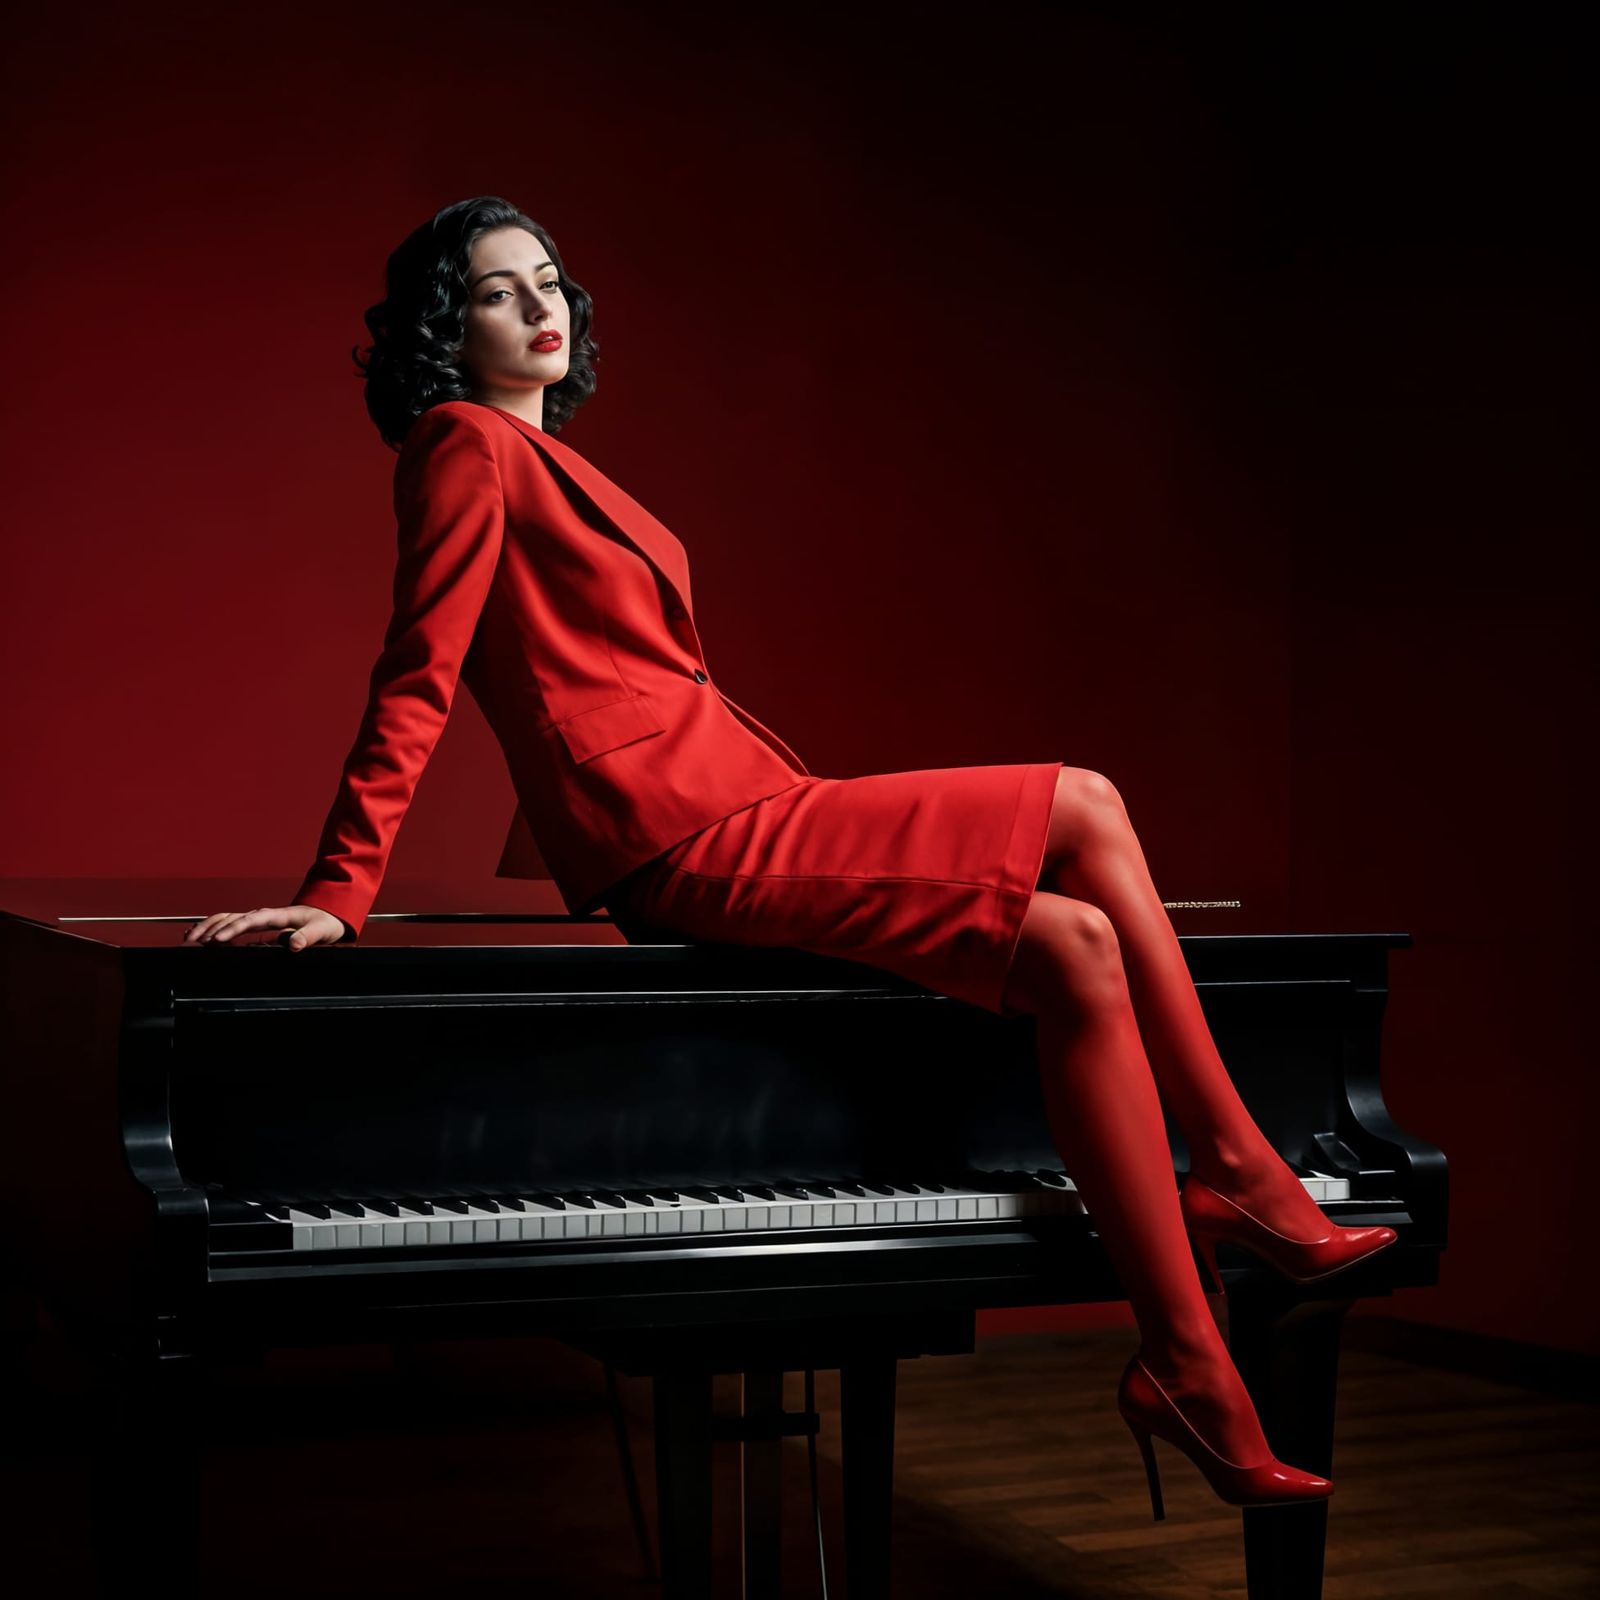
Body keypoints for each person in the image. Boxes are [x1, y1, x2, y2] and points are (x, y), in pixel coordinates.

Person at [184, 195, 1395, 1517]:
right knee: (1088, 803)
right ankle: (1236, 1188)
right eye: (495, 291)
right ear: (443, 326)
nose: (541, 307)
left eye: (550, 281)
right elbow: (419, 672)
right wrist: (336, 895)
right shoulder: (459, 447)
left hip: (736, 796)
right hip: (679, 831)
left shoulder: (543, 459)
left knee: (1075, 940)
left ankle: (1183, 1358)